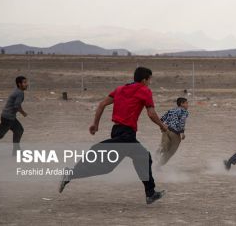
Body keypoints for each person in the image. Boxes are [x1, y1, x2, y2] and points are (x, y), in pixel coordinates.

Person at [58, 67, 168, 205]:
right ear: (144, 79)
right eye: (149, 80)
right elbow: (151, 113)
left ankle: (150, 193)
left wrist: (95, 124)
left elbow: (102, 104)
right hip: (126, 136)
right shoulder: (144, 90)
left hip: (117, 131)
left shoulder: (120, 89)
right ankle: (71, 174)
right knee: (122, 162)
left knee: (142, 158)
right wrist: (162, 126)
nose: (150, 83)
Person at [0, 76, 28, 156]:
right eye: (24, 82)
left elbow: (17, 105)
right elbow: (16, 106)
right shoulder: (20, 93)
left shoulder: (18, 90)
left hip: (9, 117)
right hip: (8, 118)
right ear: (19, 84)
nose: (27, 84)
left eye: (26, 82)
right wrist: (23, 113)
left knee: (19, 130)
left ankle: (16, 151)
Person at [156, 97, 189, 166]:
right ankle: (158, 166)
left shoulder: (171, 110)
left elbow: (161, 119)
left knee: (164, 147)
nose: (188, 105)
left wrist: (161, 126)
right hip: (174, 133)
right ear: (182, 104)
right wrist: (182, 132)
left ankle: (154, 157)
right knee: (170, 152)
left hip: (166, 130)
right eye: (186, 103)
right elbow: (182, 122)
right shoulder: (184, 111)